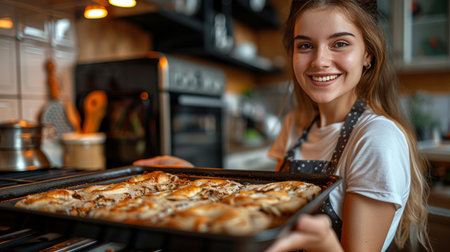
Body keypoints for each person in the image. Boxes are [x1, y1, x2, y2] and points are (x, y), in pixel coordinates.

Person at [134, 0, 431, 251]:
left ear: (368, 53)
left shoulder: (375, 137)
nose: (319, 61)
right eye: (305, 45)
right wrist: (193, 180)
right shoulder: (297, 124)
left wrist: (324, 242)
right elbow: (264, 209)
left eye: (339, 43)